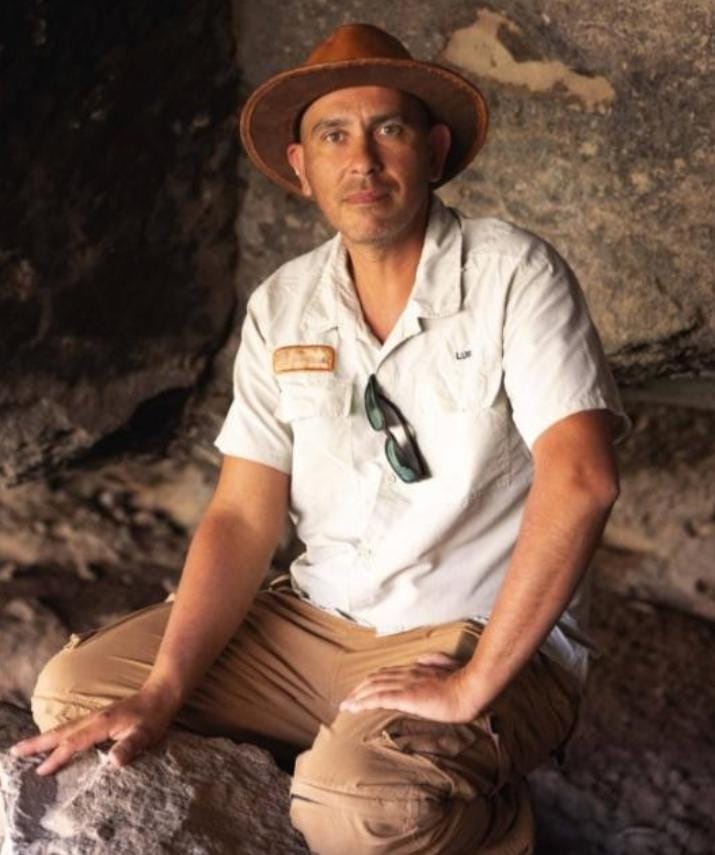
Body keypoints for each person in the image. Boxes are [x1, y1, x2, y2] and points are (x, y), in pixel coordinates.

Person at [12, 23, 631, 854]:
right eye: (334, 135)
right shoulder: (284, 303)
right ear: (302, 168)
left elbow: (582, 479)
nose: (361, 160)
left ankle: (476, 819)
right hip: (314, 623)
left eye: (388, 129)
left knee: (357, 810)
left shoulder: (513, 273)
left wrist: (473, 684)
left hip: (471, 633)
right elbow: (241, 514)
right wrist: (162, 689)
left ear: (433, 151)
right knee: (78, 695)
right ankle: (342, 766)